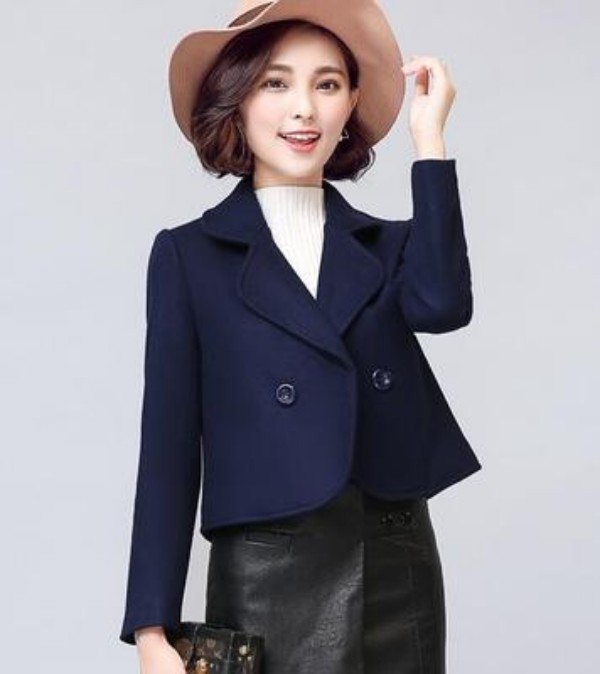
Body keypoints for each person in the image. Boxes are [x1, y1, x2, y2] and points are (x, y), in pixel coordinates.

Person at [119, 1, 483, 672]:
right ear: (237, 98)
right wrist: (150, 628)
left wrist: (429, 142)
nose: (304, 109)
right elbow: (167, 447)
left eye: (328, 84)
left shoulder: (386, 246)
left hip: (393, 561)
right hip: (266, 575)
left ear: (351, 106)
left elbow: (442, 306)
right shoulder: (189, 256)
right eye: (275, 82)